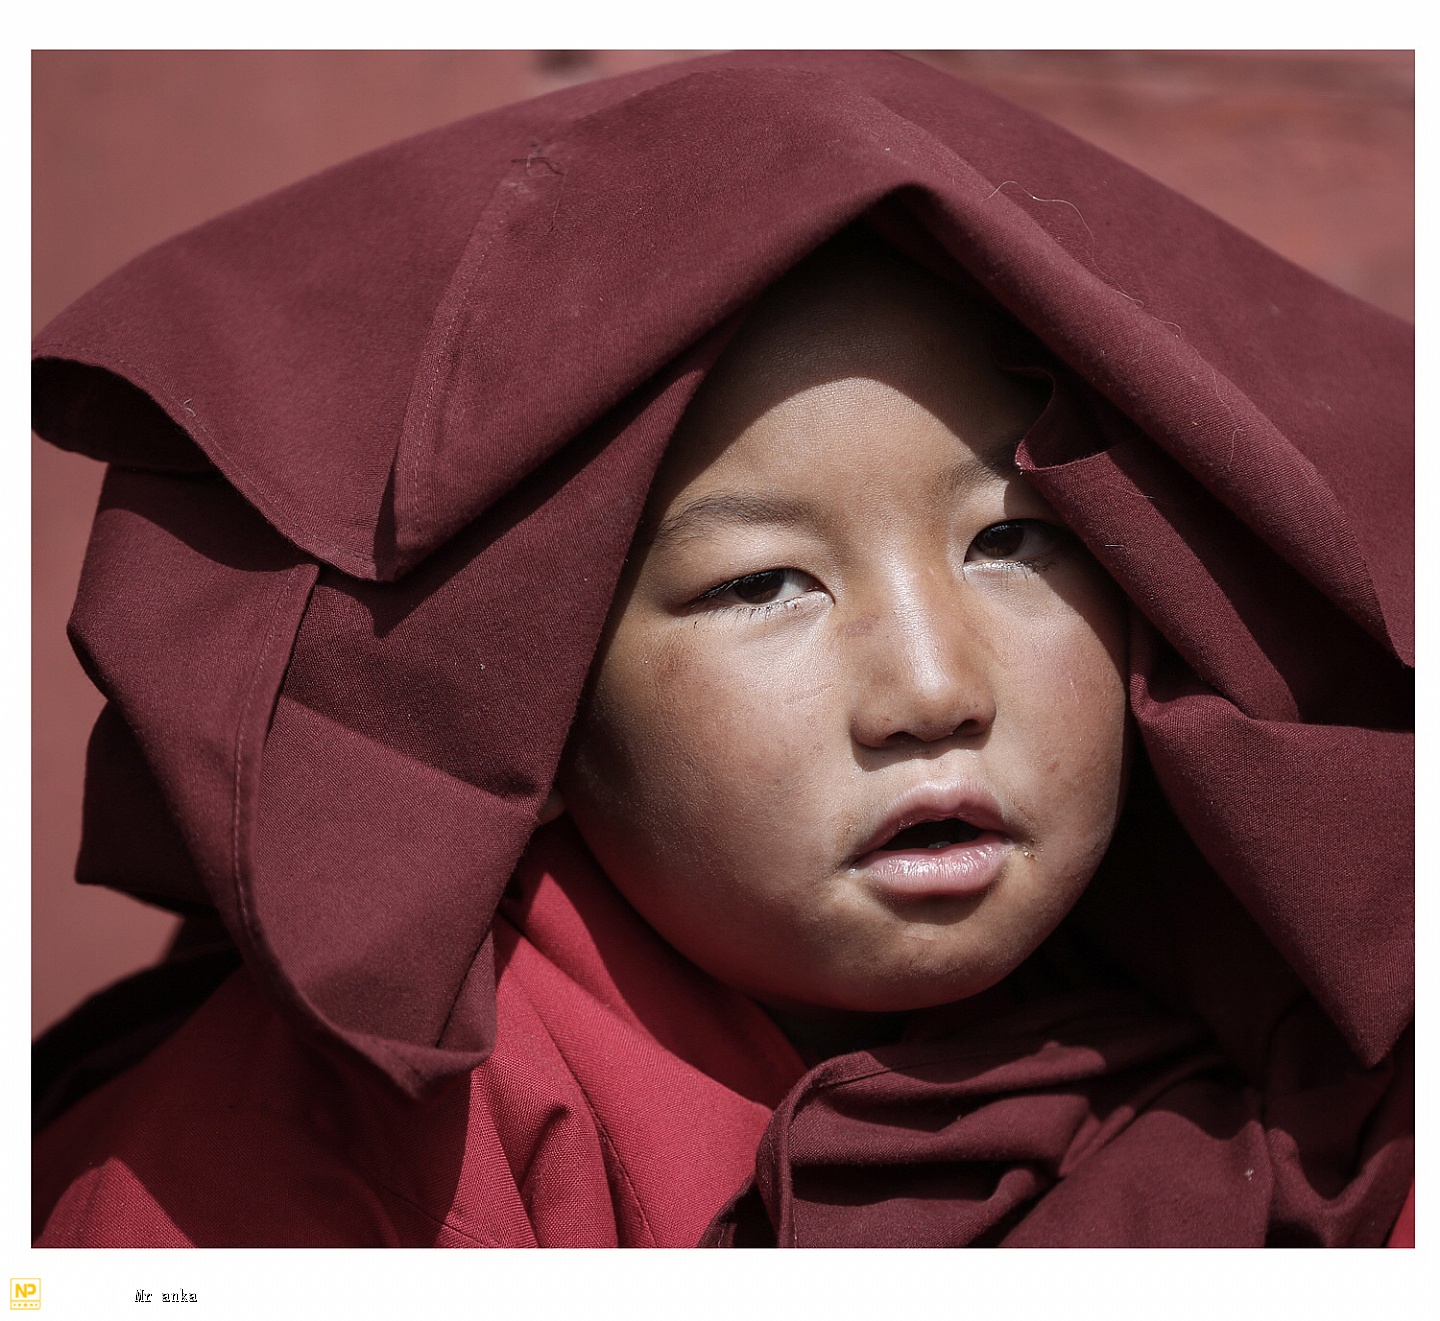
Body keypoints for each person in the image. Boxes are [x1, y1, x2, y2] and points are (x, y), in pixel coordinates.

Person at [30, 50, 1412, 1247]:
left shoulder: (1296, 1048)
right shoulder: (330, 1162)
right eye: (764, 583)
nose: (934, 688)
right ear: (537, 714)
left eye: (1011, 542)